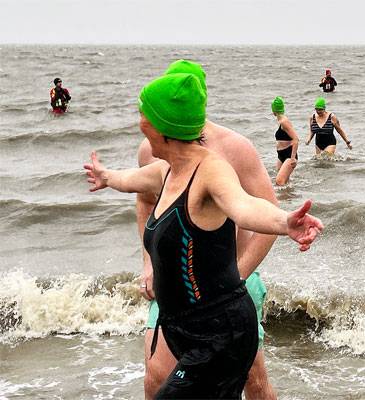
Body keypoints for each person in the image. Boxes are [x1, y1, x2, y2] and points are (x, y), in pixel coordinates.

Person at [87, 73, 324, 398]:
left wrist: (285, 223)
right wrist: (106, 176)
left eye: (144, 116)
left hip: (220, 332)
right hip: (187, 328)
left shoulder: (211, 170)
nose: (139, 122)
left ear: (163, 126)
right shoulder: (167, 170)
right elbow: (129, 180)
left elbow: (245, 206)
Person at [137, 60, 280, 400]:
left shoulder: (234, 148)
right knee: (156, 378)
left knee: (253, 380)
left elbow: (266, 212)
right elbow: (145, 201)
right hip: (175, 288)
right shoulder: (152, 149)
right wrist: (148, 264)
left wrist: (237, 276)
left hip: (230, 287)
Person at [272, 96, 299, 185]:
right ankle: (290, 194)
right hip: (281, 155)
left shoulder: (284, 122)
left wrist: (292, 158)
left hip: (289, 155)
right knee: (283, 182)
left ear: (274, 110)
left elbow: (296, 139)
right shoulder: (281, 121)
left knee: (279, 181)